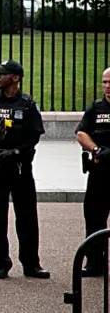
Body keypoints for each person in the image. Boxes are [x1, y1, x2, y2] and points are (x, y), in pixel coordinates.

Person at [0, 60, 48, 280]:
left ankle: (31, 264)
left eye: (2, 74)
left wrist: (16, 152)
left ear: (15, 78)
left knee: (27, 216)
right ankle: (1, 263)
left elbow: (35, 134)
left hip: (20, 167)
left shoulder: (27, 104)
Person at [76, 67, 110, 276]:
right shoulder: (96, 108)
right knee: (94, 218)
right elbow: (81, 133)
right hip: (100, 172)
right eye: (104, 82)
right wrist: (96, 149)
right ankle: (94, 263)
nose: (107, 86)